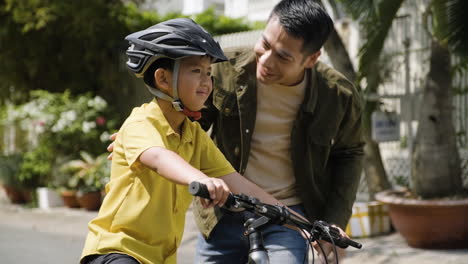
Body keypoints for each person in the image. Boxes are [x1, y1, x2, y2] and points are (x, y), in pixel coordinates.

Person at [80, 18, 287, 264]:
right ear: (163, 79)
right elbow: (159, 157)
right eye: (196, 71)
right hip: (118, 252)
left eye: (209, 73)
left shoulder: (194, 135)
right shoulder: (140, 123)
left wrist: (306, 225)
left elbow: (237, 182)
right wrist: (200, 178)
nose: (206, 82)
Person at [193, 0, 364, 263]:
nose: (267, 61)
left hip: (288, 217)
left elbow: (350, 153)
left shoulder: (337, 95)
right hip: (223, 208)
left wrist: (334, 220)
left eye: (283, 56)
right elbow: (187, 125)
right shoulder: (222, 69)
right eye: (265, 44)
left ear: (311, 59)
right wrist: (146, 138)